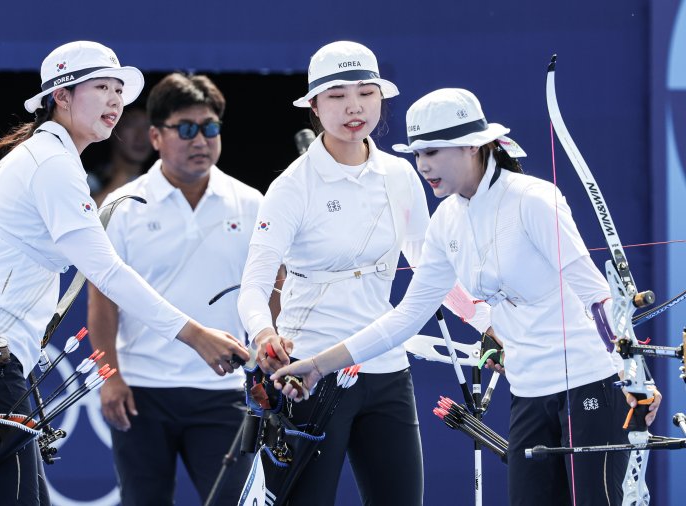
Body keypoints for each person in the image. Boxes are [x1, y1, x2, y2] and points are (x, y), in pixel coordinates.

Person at [271, 88, 663, 505]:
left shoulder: (532, 199)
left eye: (433, 152)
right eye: (417, 154)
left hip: (592, 382)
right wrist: (317, 365)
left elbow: (597, 294)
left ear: (473, 146)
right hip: (529, 393)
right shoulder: (448, 220)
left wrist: (636, 373)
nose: (422, 166)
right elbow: (406, 317)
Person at [0, 41, 248, 505]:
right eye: (101, 88)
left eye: (119, 90)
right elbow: (107, 271)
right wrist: (196, 334)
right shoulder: (52, 163)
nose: (115, 100)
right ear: (62, 96)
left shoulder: (29, 157)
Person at [237, 40, 433, 505]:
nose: (354, 106)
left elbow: (433, 273)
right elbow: (255, 285)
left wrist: (491, 325)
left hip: (386, 369)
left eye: (366, 92)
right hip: (307, 374)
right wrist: (265, 336)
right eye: (337, 95)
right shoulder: (291, 186)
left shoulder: (401, 175)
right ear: (314, 106)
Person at [87, 73, 264, 506]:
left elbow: (270, 294)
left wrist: (267, 367)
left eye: (210, 127)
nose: (200, 139)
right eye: (186, 128)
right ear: (155, 136)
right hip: (141, 394)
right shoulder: (120, 207)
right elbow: (102, 302)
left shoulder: (253, 204)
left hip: (226, 393)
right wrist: (110, 378)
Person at [86, 102, 153, 206]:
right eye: (131, 125)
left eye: (147, 127)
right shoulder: (87, 180)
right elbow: (81, 217)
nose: (140, 136)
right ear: (112, 131)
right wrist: (118, 182)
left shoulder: (159, 182)